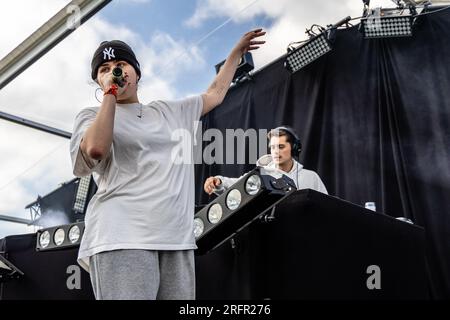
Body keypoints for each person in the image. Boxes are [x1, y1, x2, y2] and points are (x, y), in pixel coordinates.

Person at [70, 29, 266, 300]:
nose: (114, 70)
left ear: (137, 73)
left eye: (121, 65)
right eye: (104, 68)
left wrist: (235, 54)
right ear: (98, 81)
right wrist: (110, 95)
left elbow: (215, 94)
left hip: (175, 239)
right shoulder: (91, 115)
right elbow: (95, 148)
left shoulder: (167, 111)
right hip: (123, 236)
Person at [204, 126, 328, 195]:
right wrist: (218, 182)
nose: (275, 151)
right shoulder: (262, 174)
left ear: (294, 148)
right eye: (272, 147)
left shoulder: (311, 177)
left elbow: (326, 207)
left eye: (281, 147)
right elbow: (235, 186)